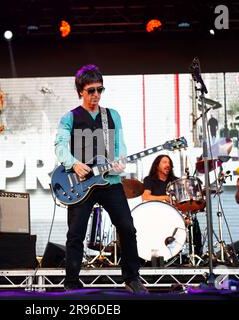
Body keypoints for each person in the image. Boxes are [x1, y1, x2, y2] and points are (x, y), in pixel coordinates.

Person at [54, 64, 147, 294]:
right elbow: (60, 146)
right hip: (79, 182)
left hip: (109, 181)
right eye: (91, 90)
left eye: (99, 90)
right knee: (75, 233)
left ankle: (132, 277)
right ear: (80, 92)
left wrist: (121, 162)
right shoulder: (70, 117)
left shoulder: (112, 115)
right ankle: (71, 282)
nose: (96, 95)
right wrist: (74, 163)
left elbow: (120, 146)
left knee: (127, 228)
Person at [142, 155, 203, 258]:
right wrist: (164, 198)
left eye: (169, 163)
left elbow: (183, 201)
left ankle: (195, 255)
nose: (168, 165)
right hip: (156, 215)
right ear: (157, 165)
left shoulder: (176, 181)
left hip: (174, 215)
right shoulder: (149, 180)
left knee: (193, 222)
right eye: (164, 162)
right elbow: (145, 197)